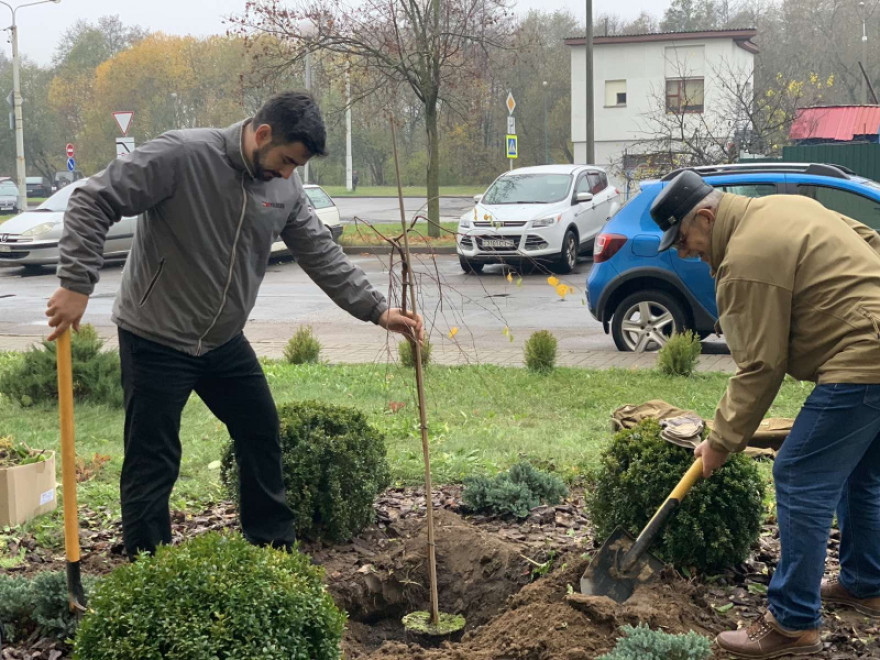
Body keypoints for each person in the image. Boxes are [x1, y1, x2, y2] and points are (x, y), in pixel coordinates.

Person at [45, 90, 423, 559]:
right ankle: (150, 570)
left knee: (260, 430)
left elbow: (320, 252)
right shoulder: (182, 155)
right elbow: (92, 199)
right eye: (285, 160)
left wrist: (377, 309)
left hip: (221, 340)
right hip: (155, 336)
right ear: (262, 134)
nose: (288, 174)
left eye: (296, 167)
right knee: (154, 459)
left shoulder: (284, 188)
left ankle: (273, 554)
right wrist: (76, 282)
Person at [649, 170, 880, 659]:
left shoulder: (745, 260)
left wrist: (720, 442)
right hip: (873, 348)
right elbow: (867, 237)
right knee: (862, 474)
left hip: (864, 361)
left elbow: (760, 367)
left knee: (798, 474)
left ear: (706, 217)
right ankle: (866, 582)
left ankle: (793, 622)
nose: (685, 252)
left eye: (685, 240)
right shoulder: (785, 208)